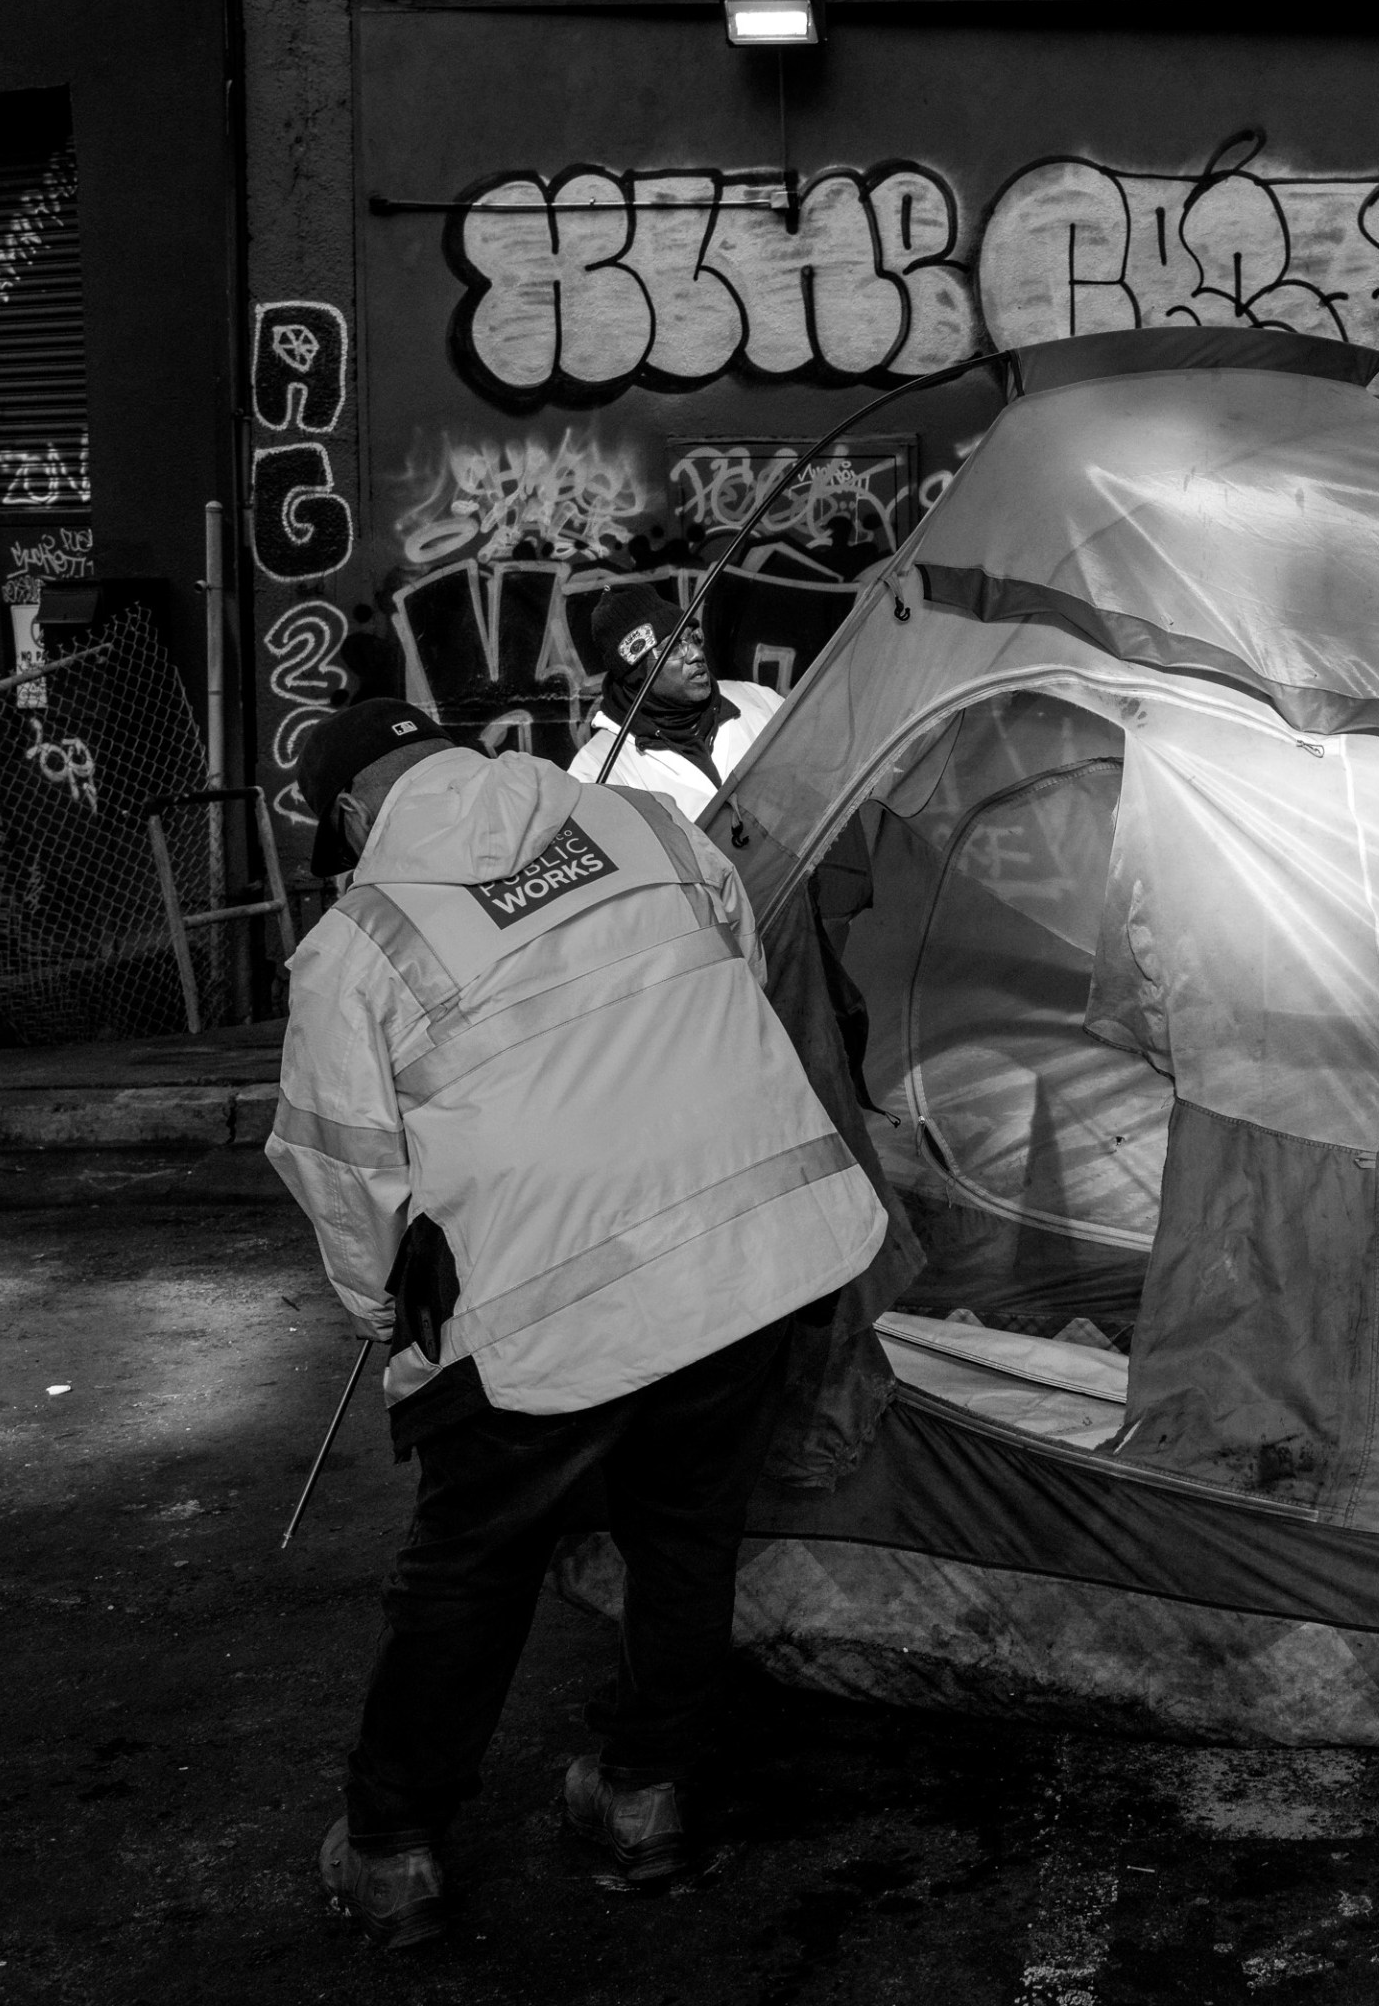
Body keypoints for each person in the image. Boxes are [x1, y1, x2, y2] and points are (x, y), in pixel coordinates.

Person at [267, 697, 889, 1947]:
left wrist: (383, 1315)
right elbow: (730, 978)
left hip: (548, 1312)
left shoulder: (359, 944)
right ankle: (645, 1799)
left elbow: (345, 1169)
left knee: (466, 1569)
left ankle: (392, 1848)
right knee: (685, 1532)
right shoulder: (648, 825)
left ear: (348, 813)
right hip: (751, 1253)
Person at [570, 580, 782, 817]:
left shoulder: (758, 701)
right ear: (635, 672)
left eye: (694, 638)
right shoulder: (599, 770)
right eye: (673, 648)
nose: (696, 654)